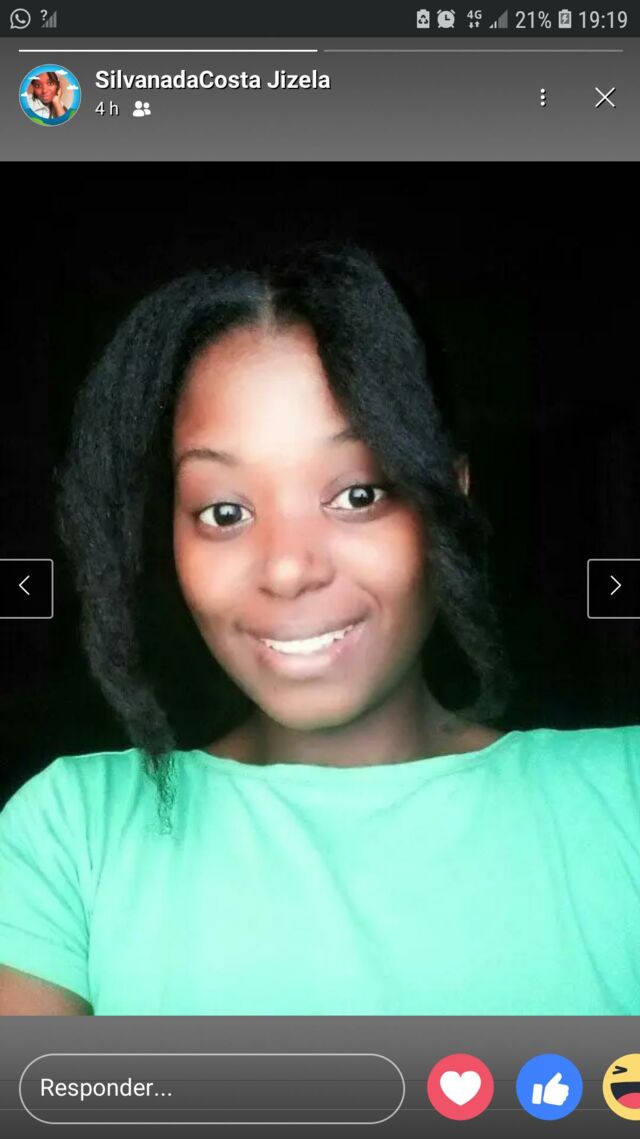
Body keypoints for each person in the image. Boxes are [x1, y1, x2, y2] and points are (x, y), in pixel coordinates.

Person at [0, 245, 638, 1016]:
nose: (287, 567)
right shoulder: (72, 834)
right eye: (224, 511)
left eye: (357, 494)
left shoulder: (624, 794)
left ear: (449, 498)